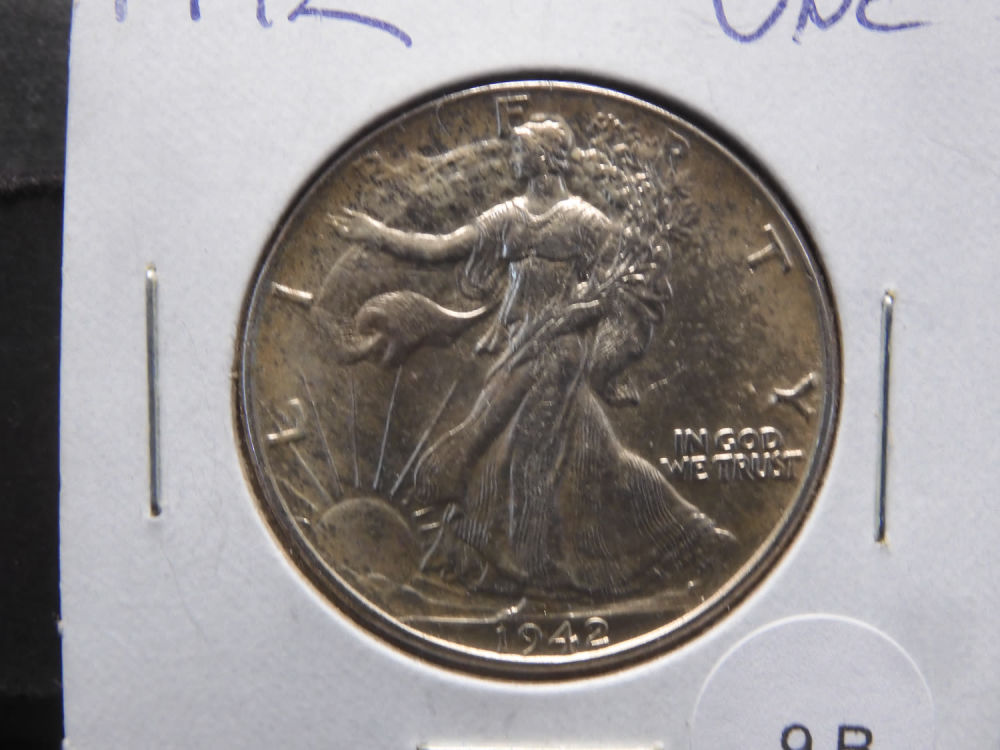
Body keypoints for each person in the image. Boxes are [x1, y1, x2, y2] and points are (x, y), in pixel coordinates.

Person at [331, 115, 732, 597]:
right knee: (590, 454)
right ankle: (684, 533)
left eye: (520, 150)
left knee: (526, 457)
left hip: (559, 354)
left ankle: (533, 572)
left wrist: (573, 318)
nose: (513, 159)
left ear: (543, 157)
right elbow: (440, 248)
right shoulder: (507, 217)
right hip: (519, 347)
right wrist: (378, 233)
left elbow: (614, 295)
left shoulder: (587, 222)